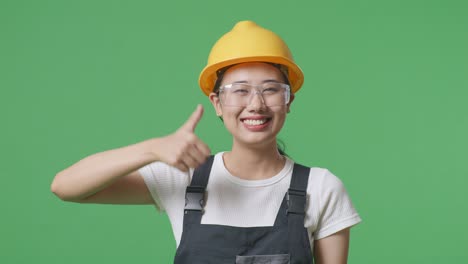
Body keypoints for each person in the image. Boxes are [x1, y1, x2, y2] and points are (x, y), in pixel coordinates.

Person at [51, 20, 361, 263]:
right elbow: (66, 186)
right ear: (216, 102)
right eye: (239, 90)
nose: (256, 104)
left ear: (288, 100)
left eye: (270, 89)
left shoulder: (321, 188)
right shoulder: (185, 177)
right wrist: (152, 149)